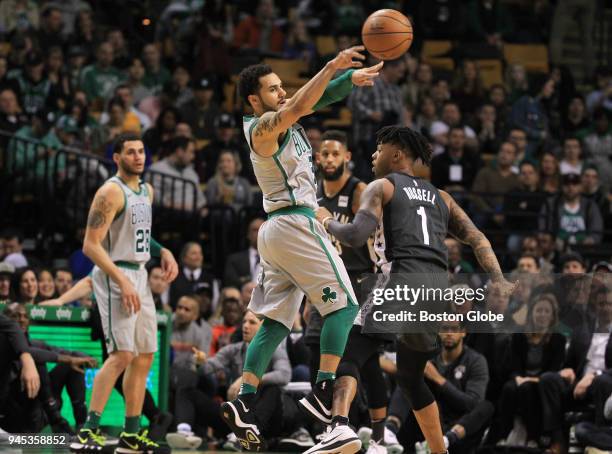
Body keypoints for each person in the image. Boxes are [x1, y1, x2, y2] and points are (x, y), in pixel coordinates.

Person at [315, 126, 516, 454]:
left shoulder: (381, 186)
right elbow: (478, 238)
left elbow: (353, 235)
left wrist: (325, 220)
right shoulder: (442, 197)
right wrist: (498, 277)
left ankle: (338, 426)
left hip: (400, 279)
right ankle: (439, 450)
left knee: (348, 349)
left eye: (379, 149)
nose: (373, 155)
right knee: (410, 378)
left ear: (397, 154)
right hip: (436, 290)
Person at [221, 47, 382, 452]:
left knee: (275, 323)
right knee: (345, 307)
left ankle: (244, 401)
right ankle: (322, 393)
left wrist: (349, 81)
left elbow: (317, 98)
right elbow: (305, 102)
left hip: (277, 230)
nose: (282, 92)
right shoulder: (261, 128)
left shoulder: (284, 114)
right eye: (273, 89)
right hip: (296, 222)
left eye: (282, 86)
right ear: (254, 99)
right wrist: (332, 66)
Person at [69, 134, 178, 454]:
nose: (138, 157)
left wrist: (164, 251)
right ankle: (87, 430)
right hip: (114, 273)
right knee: (122, 355)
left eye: (141, 151)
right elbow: (90, 245)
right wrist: (122, 280)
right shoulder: (109, 192)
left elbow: (139, 238)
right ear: (116, 158)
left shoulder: (147, 190)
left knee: (144, 354)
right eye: (130, 152)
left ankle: (131, 434)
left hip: (140, 273)